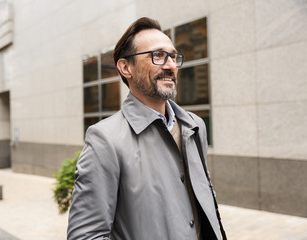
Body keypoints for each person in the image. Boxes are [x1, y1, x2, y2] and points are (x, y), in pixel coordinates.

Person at [68, 17, 225, 240]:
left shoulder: (194, 126)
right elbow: (86, 236)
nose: (170, 64)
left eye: (173, 56)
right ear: (125, 67)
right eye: (158, 55)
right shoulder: (105, 140)